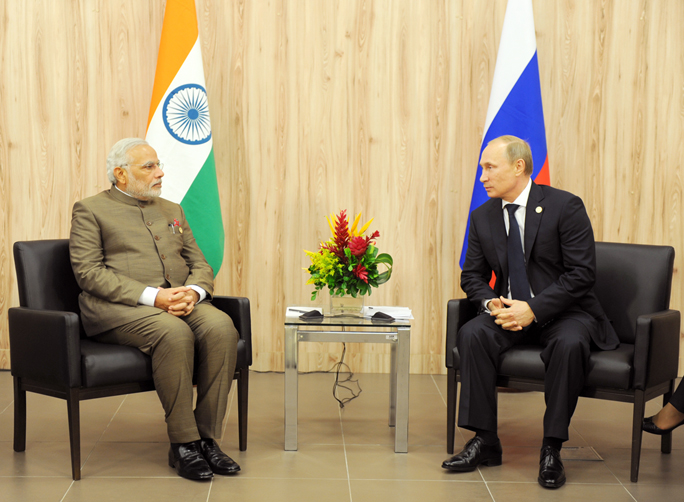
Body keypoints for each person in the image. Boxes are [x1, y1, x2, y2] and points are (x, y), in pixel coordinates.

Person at [442, 135, 619, 489]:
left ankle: (551, 448)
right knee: (472, 333)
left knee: (569, 344)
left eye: (490, 167)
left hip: (566, 312)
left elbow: (581, 275)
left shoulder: (565, 206)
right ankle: (485, 440)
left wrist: (533, 309)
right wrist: (491, 303)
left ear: (518, 166)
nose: (482, 177)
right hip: (510, 312)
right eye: (482, 169)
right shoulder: (483, 216)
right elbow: (472, 275)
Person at [69, 138, 239, 481]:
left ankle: (207, 439)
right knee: (172, 332)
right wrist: (153, 297)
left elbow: (199, 263)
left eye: (159, 164)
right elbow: (88, 273)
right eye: (149, 167)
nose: (160, 173)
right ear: (120, 174)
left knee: (222, 327)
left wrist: (193, 292)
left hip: (179, 300)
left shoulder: (172, 209)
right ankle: (183, 443)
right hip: (119, 308)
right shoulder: (90, 209)